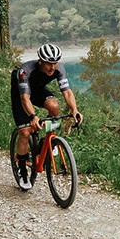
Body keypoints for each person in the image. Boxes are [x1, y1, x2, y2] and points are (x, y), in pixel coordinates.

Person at [10, 43, 82, 189]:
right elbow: (25, 99)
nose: (52, 67)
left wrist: (74, 110)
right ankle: (23, 169)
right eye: (49, 63)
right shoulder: (25, 71)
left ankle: (46, 142)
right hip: (21, 94)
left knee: (54, 106)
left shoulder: (58, 69)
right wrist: (32, 117)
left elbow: (67, 92)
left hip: (38, 90)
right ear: (40, 61)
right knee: (25, 132)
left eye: (55, 63)